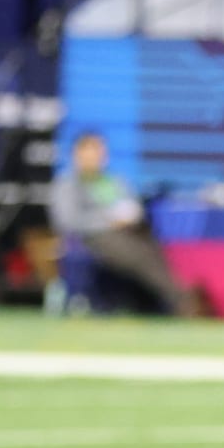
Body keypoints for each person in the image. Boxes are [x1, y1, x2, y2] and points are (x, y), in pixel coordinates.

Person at [48, 131, 197, 316]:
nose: (95, 156)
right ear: (77, 154)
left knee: (150, 247)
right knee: (137, 253)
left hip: (127, 232)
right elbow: (67, 220)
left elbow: (132, 205)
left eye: (99, 151)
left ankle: (173, 297)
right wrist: (108, 221)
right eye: (90, 151)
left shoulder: (112, 181)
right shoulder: (68, 184)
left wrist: (130, 217)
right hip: (93, 237)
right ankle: (180, 298)